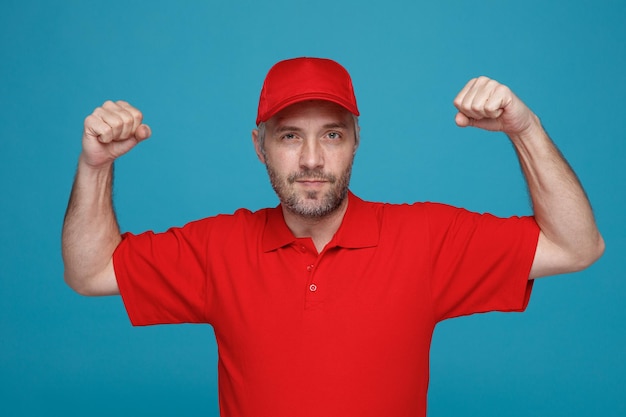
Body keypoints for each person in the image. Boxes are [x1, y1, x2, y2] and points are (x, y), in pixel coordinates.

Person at [62, 57, 604, 417]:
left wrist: (524, 129)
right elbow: (90, 271)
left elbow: (576, 246)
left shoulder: (426, 238)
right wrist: (96, 167)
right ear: (259, 145)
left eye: (333, 135)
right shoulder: (218, 248)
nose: (313, 159)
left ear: (356, 142)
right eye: (291, 136)